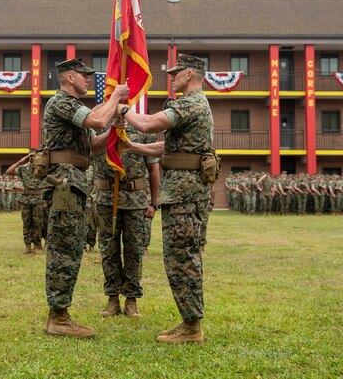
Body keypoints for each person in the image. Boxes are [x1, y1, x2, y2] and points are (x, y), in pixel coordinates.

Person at [119, 53, 215, 345]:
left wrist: (123, 109)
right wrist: (132, 146)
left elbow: (148, 125)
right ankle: (189, 321)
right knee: (182, 257)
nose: (172, 77)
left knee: (181, 259)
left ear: (190, 75)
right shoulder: (197, 105)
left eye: (176, 73)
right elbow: (167, 147)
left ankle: (192, 327)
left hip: (183, 195)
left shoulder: (190, 103)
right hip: (184, 193)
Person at [41, 57, 128, 339]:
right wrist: (115, 97)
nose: (88, 79)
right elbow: (97, 119)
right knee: (64, 247)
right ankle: (58, 316)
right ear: (68, 78)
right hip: (64, 182)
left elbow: (94, 144)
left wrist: (115, 126)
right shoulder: (61, 103)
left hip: (74, 180)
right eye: (83, 75)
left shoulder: (75, 107)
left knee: (73, 245)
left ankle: (61, 313)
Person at [94, 123, 159, 319]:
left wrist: (153, 203)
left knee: (134, 251)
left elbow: (153, 168)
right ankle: (112, 299)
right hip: (106, 200)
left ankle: (131, 300)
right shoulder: (99, 128)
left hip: (135, 200)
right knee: (108, 250)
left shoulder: (144, 129)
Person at [7, 153, 49, 254]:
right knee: (27, 223)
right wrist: (20, 161)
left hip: (38, 199)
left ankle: (37, 246)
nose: (32, 159)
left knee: (37, 223)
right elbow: (9, 171)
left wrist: (46, 200)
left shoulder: (43, 169)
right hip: (25, 199)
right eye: (31, 157)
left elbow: (48, 184)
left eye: (35, 157)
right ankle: (28, 246)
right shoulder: (23, 169)